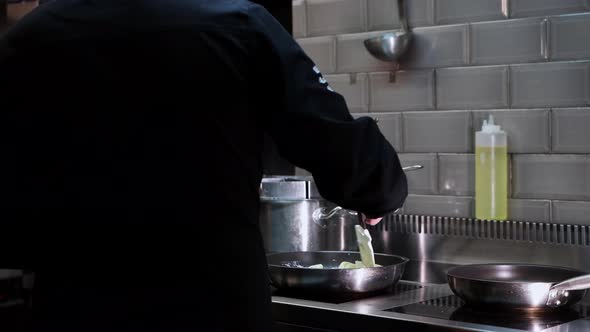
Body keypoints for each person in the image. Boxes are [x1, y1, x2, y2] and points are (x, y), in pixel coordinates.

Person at [0, 0, 408, 331]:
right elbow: (335, 141)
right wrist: (378, 188)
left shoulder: (26, 39)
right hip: (213, 308)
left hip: (74, 309)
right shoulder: (237, 23)